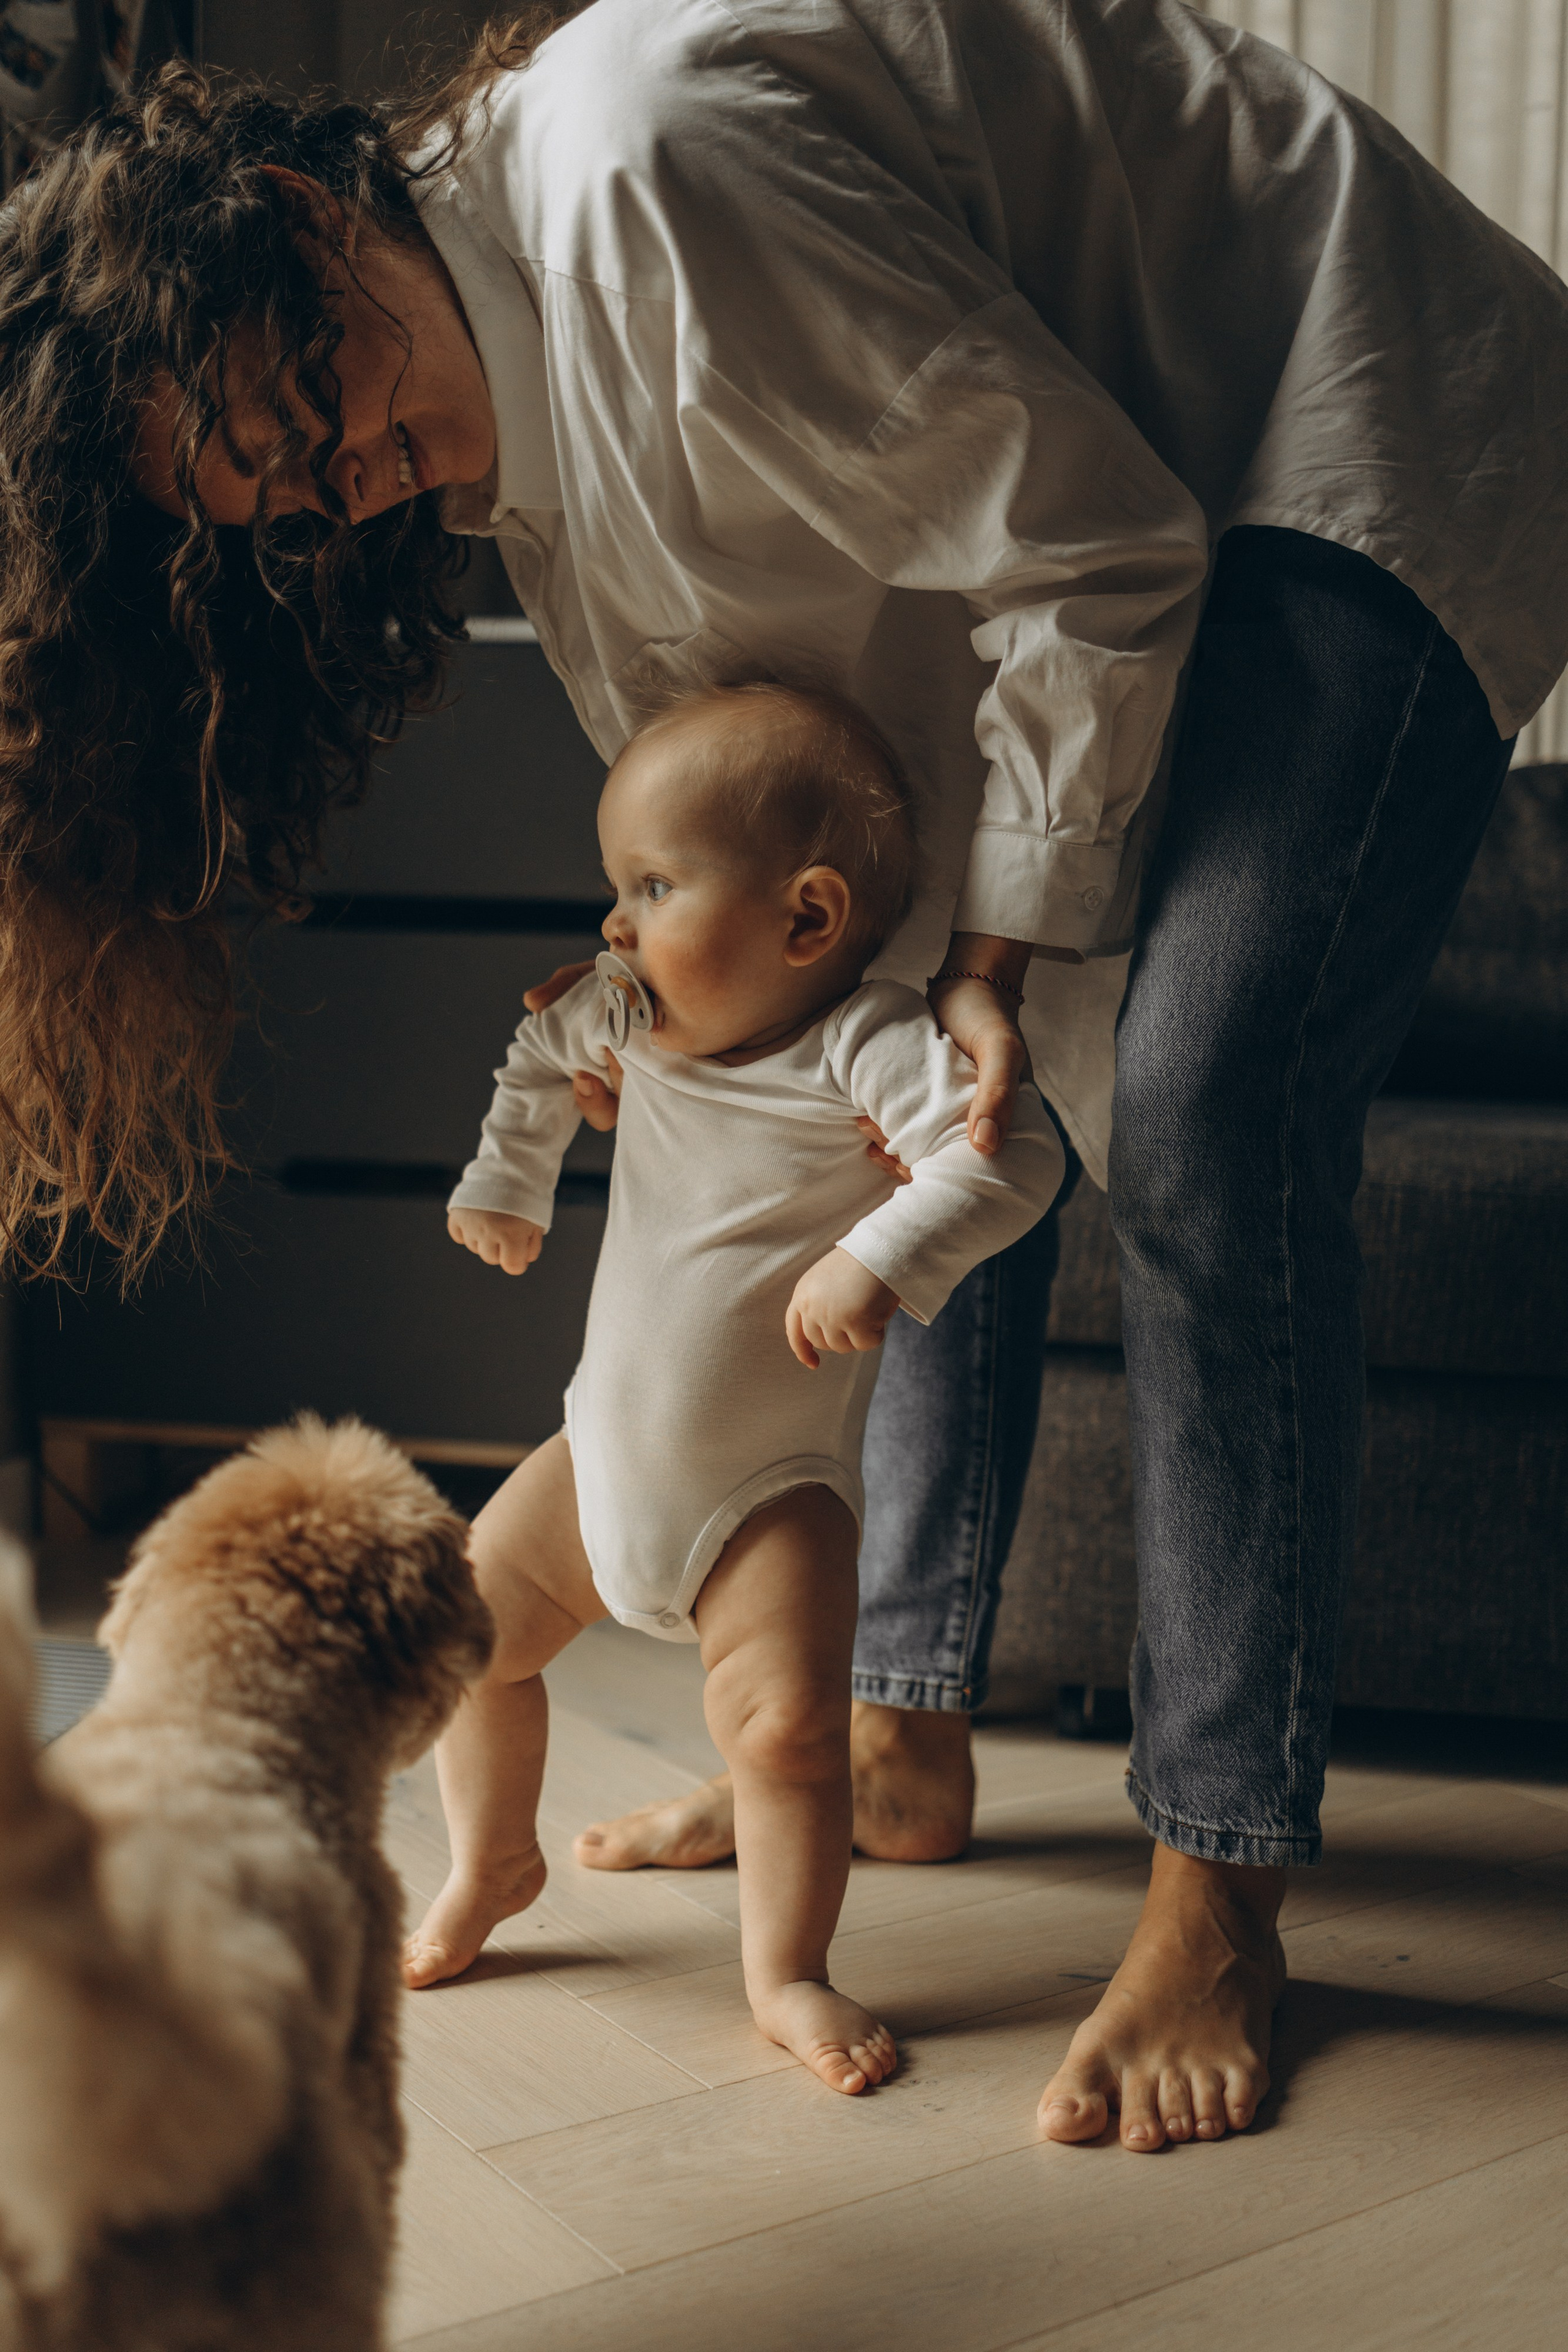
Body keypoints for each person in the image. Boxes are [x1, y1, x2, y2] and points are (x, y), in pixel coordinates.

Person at [3, 1, 1564, 2149]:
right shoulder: (525, 461)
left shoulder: (647, 184)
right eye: (267, 504)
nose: (326, 489)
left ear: (293, 225)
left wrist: (1001, 960)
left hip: (1330, 413)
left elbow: (1105, 552)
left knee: (1200, 1106)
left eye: (293, 420)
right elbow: (855, 872)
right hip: (1149, 486)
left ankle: (1219, 1886)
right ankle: (895, 1734)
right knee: (901, 1044)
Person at [402, 679, 1063, 2098]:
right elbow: (533, 1058)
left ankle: (785, 1973)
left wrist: (872, 1258)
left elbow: (1011, 1161)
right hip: (594, 1467)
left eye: (649, 886)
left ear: (806, 920)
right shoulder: (630, 1020)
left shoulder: (865, 1046)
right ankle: (489, 1864)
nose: (612, 926)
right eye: (611, 888)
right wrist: (508, 1181)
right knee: (466, 1636)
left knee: (784, 1736)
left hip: (765, 1500)